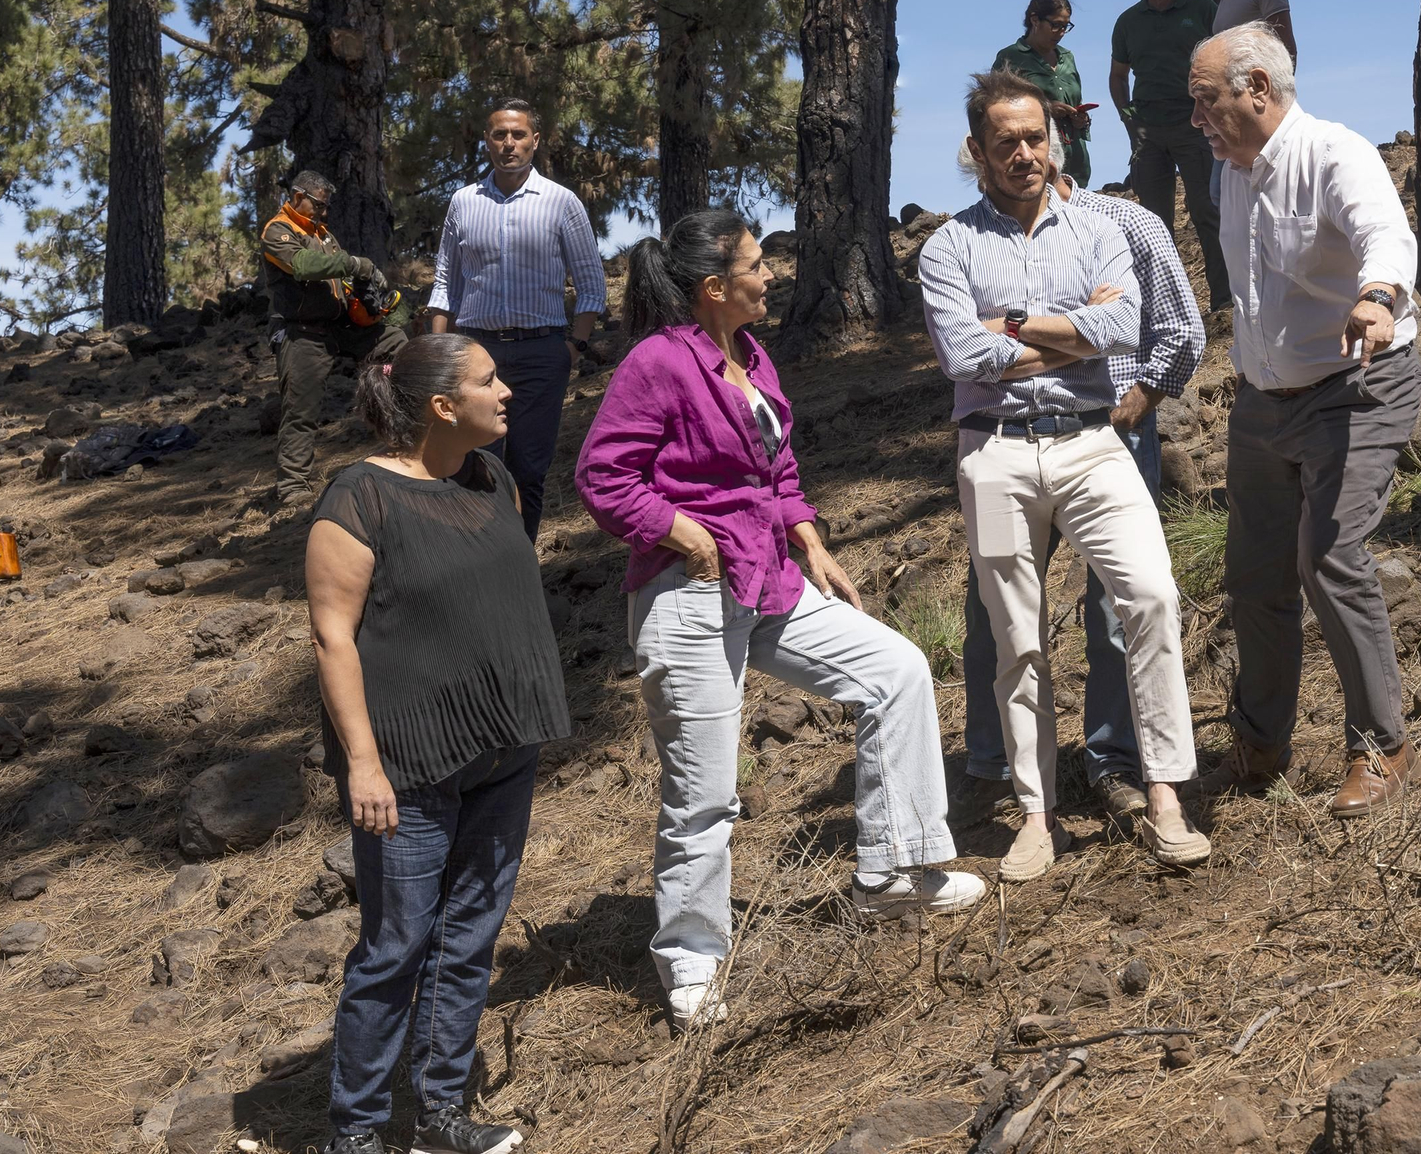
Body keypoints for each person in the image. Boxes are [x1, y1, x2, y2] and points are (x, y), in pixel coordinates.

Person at [575, 209, 986, 1030]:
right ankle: (691, 957)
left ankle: (892, 874)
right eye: (757, 267)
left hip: (768, 578)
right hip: (689, 596)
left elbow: (779, 463)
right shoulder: (659, 362)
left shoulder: (751, 353)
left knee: (896, 671)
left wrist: (810, 536)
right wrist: (682, 530)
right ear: (715, 286)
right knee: (705, 789)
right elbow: (602, 475)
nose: (772, 278)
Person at [920, 69, 1210, 882]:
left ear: (1056, 141)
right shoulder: (948, 246)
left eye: (1035, 138)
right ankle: (1036, 813)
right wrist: (1070, 334)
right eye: (1005, 141)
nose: (1024, 153)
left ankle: (1163, 792)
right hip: (995, 446)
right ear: (977, 151)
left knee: (1150, 595)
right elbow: (960, 354)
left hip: (1091, 439)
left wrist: (1008, 324)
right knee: (1017, 635)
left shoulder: (1100, 228)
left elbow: (1123, 325)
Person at [305, 332, 573, 1154]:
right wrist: (362, 764)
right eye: (488, 380)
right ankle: (355, 1133)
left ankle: (439, 1114)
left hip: (501, 749)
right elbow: (332, 639)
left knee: (468, 939)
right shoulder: (357, 500)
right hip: (407, 768)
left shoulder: (492, 479)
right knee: (395, 947)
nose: (507, 392)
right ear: (441, 406)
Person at [1188, 22, 1421, 818]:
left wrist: (1378, 295)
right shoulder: (1231, 173)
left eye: (1207, 100)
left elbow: (1385, 234)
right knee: (1255, 575)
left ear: (1259, 90)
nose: (1199, 120)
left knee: (1329, 555)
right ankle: (1261, 741)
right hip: (1261, 403)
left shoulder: (1334, 152)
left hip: (1353, 384)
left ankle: (1381, 743)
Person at [429, 98, 609, 539]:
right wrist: (438, 354)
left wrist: (574, 346)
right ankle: (475, 561)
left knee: (528, 467)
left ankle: (520, 566)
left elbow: (591, 283)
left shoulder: (561, 202)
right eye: (499, 134)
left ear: (535, 141)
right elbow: (444, 284)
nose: (509, 143)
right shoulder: (463, 202)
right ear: (486, 141)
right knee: (471, 461)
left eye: (518, 134)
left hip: (542, 354)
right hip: (475, 352)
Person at [262, 170, 412, 508]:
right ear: (297, 195)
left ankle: (406, 433)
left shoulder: (324, 235)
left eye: (326, 206)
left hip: (339, 325)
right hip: (302, 332)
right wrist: (355, 264)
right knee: (301, 410)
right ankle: (293, 487)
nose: (323, 212)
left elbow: (340, 278)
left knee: (395, 341)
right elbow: (303, 265)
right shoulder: (278, 231)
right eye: (318, 204)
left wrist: (366, 298)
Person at [1110, 0, 1228, 310]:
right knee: (1153, 224)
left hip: (1195, 124)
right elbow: (1118, 75)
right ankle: (1168, 307)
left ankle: (1224, 303)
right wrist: (1128, 117)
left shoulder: (1203, 9)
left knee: (1208, 211)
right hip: (1148, 129)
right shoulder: (1128, 22)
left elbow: (1225, 60)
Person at [993, 0, 1093, 188]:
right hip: (1034, 166)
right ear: (1035, 20)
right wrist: (1045, 110)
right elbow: (996, 113)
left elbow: (1076, 99)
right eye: (1056, 25)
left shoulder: (1067, 57)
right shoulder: (1010, 58)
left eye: (1066, 26)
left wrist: (1081, 119)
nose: (1061, 33)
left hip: (1076, 166)